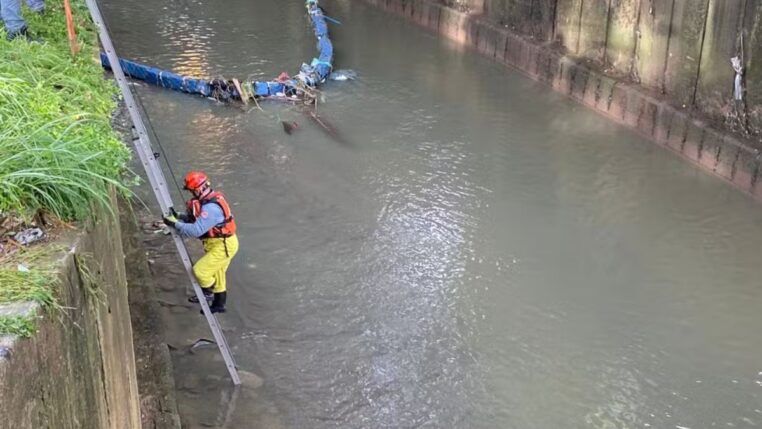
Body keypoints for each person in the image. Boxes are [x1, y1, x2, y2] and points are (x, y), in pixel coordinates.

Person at [163, 172, 239, 314]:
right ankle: (219, 305)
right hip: (218, 243)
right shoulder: (208, 202)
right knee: (218, 275)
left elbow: (195, 230)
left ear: (198, 189)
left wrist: (174, 224)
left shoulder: (211, 208)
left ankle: (208, 292)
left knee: (200, 271)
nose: (191, 194)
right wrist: (179, 216)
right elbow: (198, 221)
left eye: (192, 191)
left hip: (223, 245)